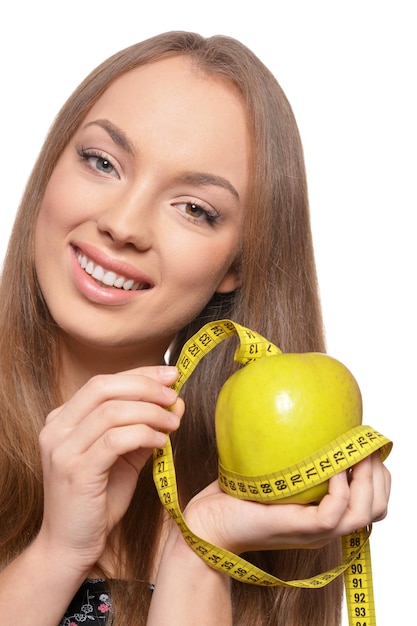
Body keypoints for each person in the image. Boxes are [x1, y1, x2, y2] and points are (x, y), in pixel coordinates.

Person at [0, 31, 390, 626]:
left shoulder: (245, 503)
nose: (124, 225)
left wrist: (200, 551)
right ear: (52, 164)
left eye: (194, 208)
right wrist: (59, 556)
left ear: (236, 263)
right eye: (102, 162)